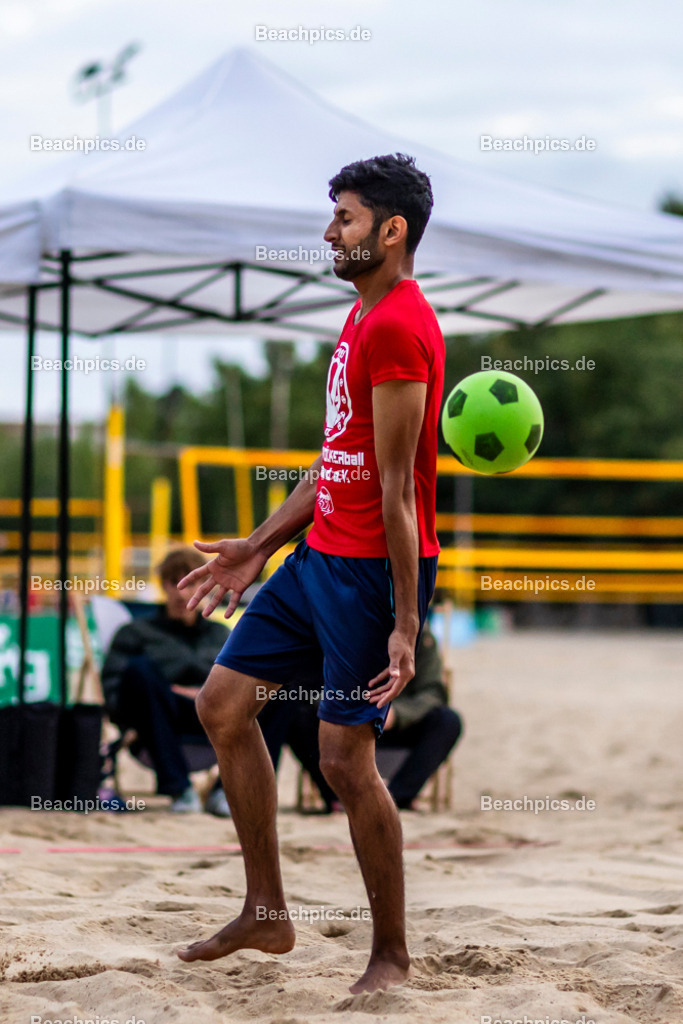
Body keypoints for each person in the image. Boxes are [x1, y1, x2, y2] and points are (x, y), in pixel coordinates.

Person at [176, 153, 444, 993]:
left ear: (390, 231)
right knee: (222, 706)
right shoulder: (358, 316)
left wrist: (404, 623)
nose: (329, 231)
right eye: (331, 215)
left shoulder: (400, 324)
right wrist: (258, 545)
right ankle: (266, 911)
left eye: (345, 217)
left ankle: (390, 956)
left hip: (370, 574)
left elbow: (398, 492)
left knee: (342, 763)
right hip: (315, 555)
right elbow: (335, 460)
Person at [101, 548, 231, 816]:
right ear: (164, 586)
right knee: (139, 671)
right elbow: (114, 689)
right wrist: (162, 693)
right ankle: (179, 788)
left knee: (275, 686)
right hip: (156, 720)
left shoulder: (220, 634)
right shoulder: (136, 632)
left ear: (205, 587)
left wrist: (201, 693)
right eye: (177, 583)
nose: (184, 593)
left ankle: (227, 791)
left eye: (193, 583)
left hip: (215, 717)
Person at [286, 624, 463, 812]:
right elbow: (309, 687)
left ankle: (396, 798)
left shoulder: (418, 633)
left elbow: (433, 692)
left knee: (447, 721)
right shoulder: (334, 625)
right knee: (296, 715)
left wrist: (397, 714)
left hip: (398, 724)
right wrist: (349, 709)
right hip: (344, 722)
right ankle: (337, 797)